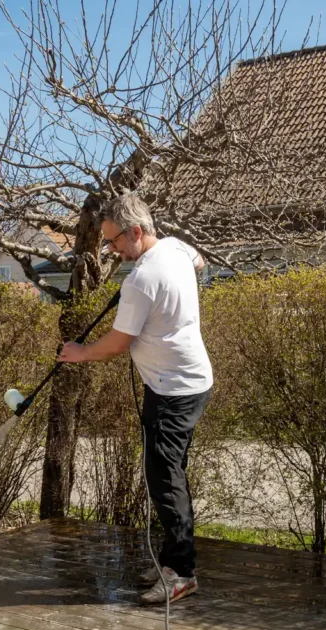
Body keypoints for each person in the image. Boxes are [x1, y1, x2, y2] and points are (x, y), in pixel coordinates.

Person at [57, 193, 213, 607]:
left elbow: (116, 344)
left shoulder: (141, 279)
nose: (112, 251)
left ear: (137, 231)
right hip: (185, 383)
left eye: (115, 242)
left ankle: (181, 574)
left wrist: (81, 352)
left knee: (166, 483)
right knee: (170, 474)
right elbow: (199, 262)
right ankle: (171, 562)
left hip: (174, 390)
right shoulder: (176, 248)